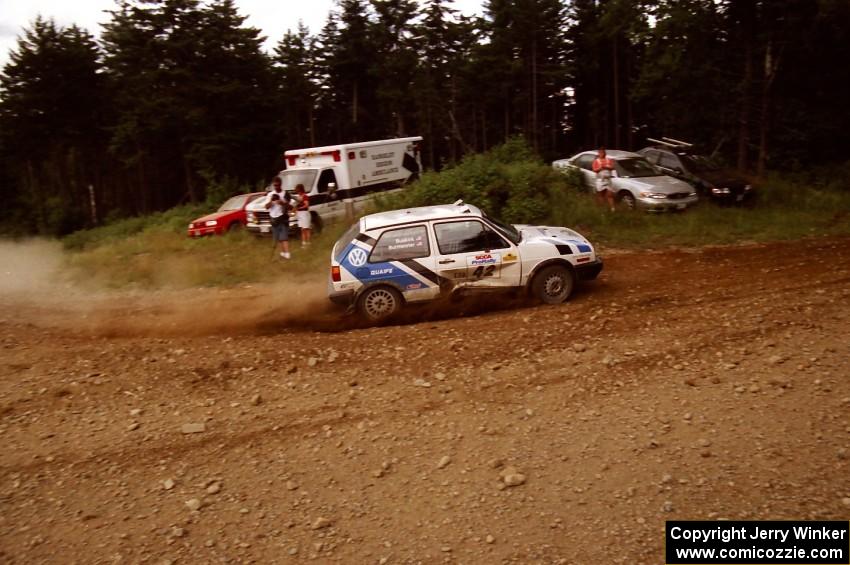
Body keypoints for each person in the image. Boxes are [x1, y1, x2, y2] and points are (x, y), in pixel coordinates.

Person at [265, 177, 291, 259]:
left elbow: (290, 206)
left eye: (278, 185)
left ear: (281, 184)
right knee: (278, 238)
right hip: (273, 219)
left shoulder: (286, 194)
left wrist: (281, 202)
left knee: (284, 237)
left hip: (283, 218)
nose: (276, 187)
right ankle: (283, 253)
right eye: (275, 185)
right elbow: (266, 206)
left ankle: (287, 254)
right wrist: (272, 202)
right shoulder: (270, 195)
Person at [592, 148, 616, 212]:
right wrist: (600, 168)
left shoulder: (609, 160)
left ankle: (613, 209)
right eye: (600, 152)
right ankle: (602, 210)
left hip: (608, 180)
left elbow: (613, 167)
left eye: (603, 152)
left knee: (610, 194)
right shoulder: (596, 161)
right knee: (601, 195)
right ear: (598, 153)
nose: (601, 154)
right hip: (600, 180)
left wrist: (606, 167)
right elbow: (594, 169)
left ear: (605, 153)